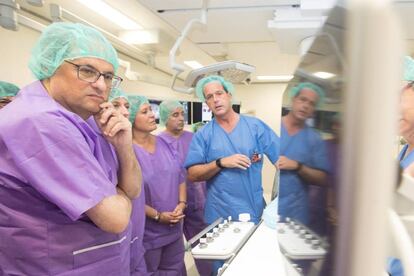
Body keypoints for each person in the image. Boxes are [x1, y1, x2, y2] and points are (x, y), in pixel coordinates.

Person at [0, 22, 141, 275]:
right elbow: (116, 218)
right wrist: (122, 196)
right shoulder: (39, 122)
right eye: (87, 71)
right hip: (56, 266)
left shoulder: (89, 120)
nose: (100, 85)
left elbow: (133, 188)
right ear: (51, 66)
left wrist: (124, 146)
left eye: (108, 76)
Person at [185, 75, 280, 225]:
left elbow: (281, 161)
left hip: (252, 210)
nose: (215, 99)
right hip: (219, 213)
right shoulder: (203, 135)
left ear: (229, 95)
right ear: (207, 103)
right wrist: (220, 163)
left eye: (219, 93)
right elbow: (193, 174)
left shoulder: (255, 127)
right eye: (209, 97)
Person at [129, 95, 187, 275]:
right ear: (130, 118)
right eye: (144, 111)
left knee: (176, 270)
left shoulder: (165, 143)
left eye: (151, 110)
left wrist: (182, 204)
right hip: (148, 234)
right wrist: (157, 216)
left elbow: (180, 175)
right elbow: (129, 195)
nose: (152, 115)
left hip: (175, 227)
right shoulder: (126, 151)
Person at [159, 100, 211, 276]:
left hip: (197, 202)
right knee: (173, 254)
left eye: (182, 114)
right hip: (171, 207)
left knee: (204, 247)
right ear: (165, 118)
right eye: (175, 115)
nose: (181, 118)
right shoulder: (158, 142)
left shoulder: (193, 139)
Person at [277, 82, 329, 229]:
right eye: (302, 99)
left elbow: (323, 178)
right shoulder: (271, 127)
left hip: (296, 212)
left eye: (311, 103)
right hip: (269, 206)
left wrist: (298, 166)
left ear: (313, 110)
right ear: (293, 100)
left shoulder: (314, 139)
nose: (306, 106)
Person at [108, 88, 148, 275]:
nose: (125, 112)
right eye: (116, 105)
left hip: (135, 233)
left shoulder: (126, 147)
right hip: (112, 241)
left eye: (127, 106)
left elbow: (134, 190)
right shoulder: (96, 147)